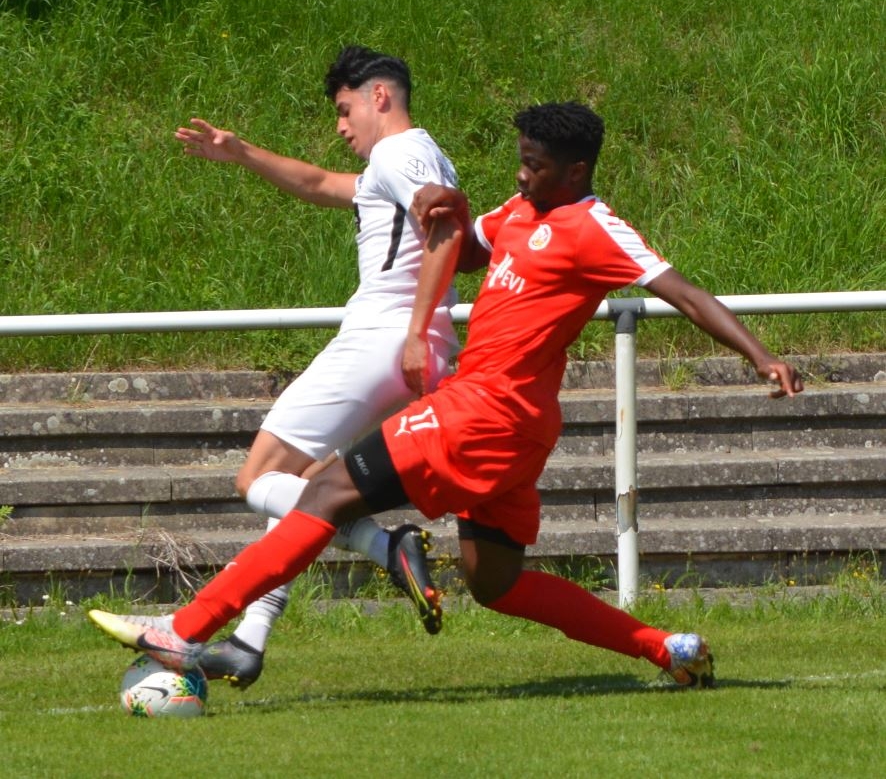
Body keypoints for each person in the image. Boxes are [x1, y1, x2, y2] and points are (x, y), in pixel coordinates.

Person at [91, 101, 805, 689]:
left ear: (577, 170)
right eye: (521, 161)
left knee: (325, 494)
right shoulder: (519, 213)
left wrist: (761, 356)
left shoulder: (595, 226)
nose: (523, 176)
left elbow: (683, 292)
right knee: (496, 583)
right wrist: (441, 211)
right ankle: (665, 648)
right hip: (510, 427)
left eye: (537, 166)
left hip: (483, 413)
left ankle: (184, 631)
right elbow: (463, 245)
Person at [171, 46, 469, 689]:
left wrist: (416, 333)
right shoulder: (402, 162)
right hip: (403, 347)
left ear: (379, 97)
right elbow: (321, 185)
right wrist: (243, 152)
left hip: (383, 340)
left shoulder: (400, 152)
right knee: (308, 488)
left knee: (258, 477)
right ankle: (250, 641)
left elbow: (446, 227)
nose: (340, 126)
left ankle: (388, 548)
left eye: (344, 109)